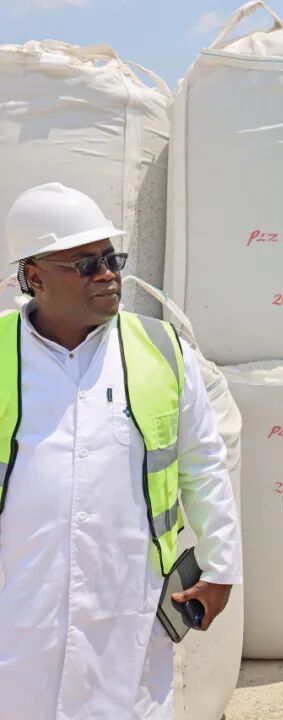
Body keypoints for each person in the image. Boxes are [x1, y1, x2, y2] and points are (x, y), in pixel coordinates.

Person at [0, 182, 242, 719]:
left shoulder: (161, 348)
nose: (108, 275)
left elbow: (204, 464)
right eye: (86, 265)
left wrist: (221, 565)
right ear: (34, 276)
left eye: (112, 259)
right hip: (18, 604)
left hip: (129, 600)